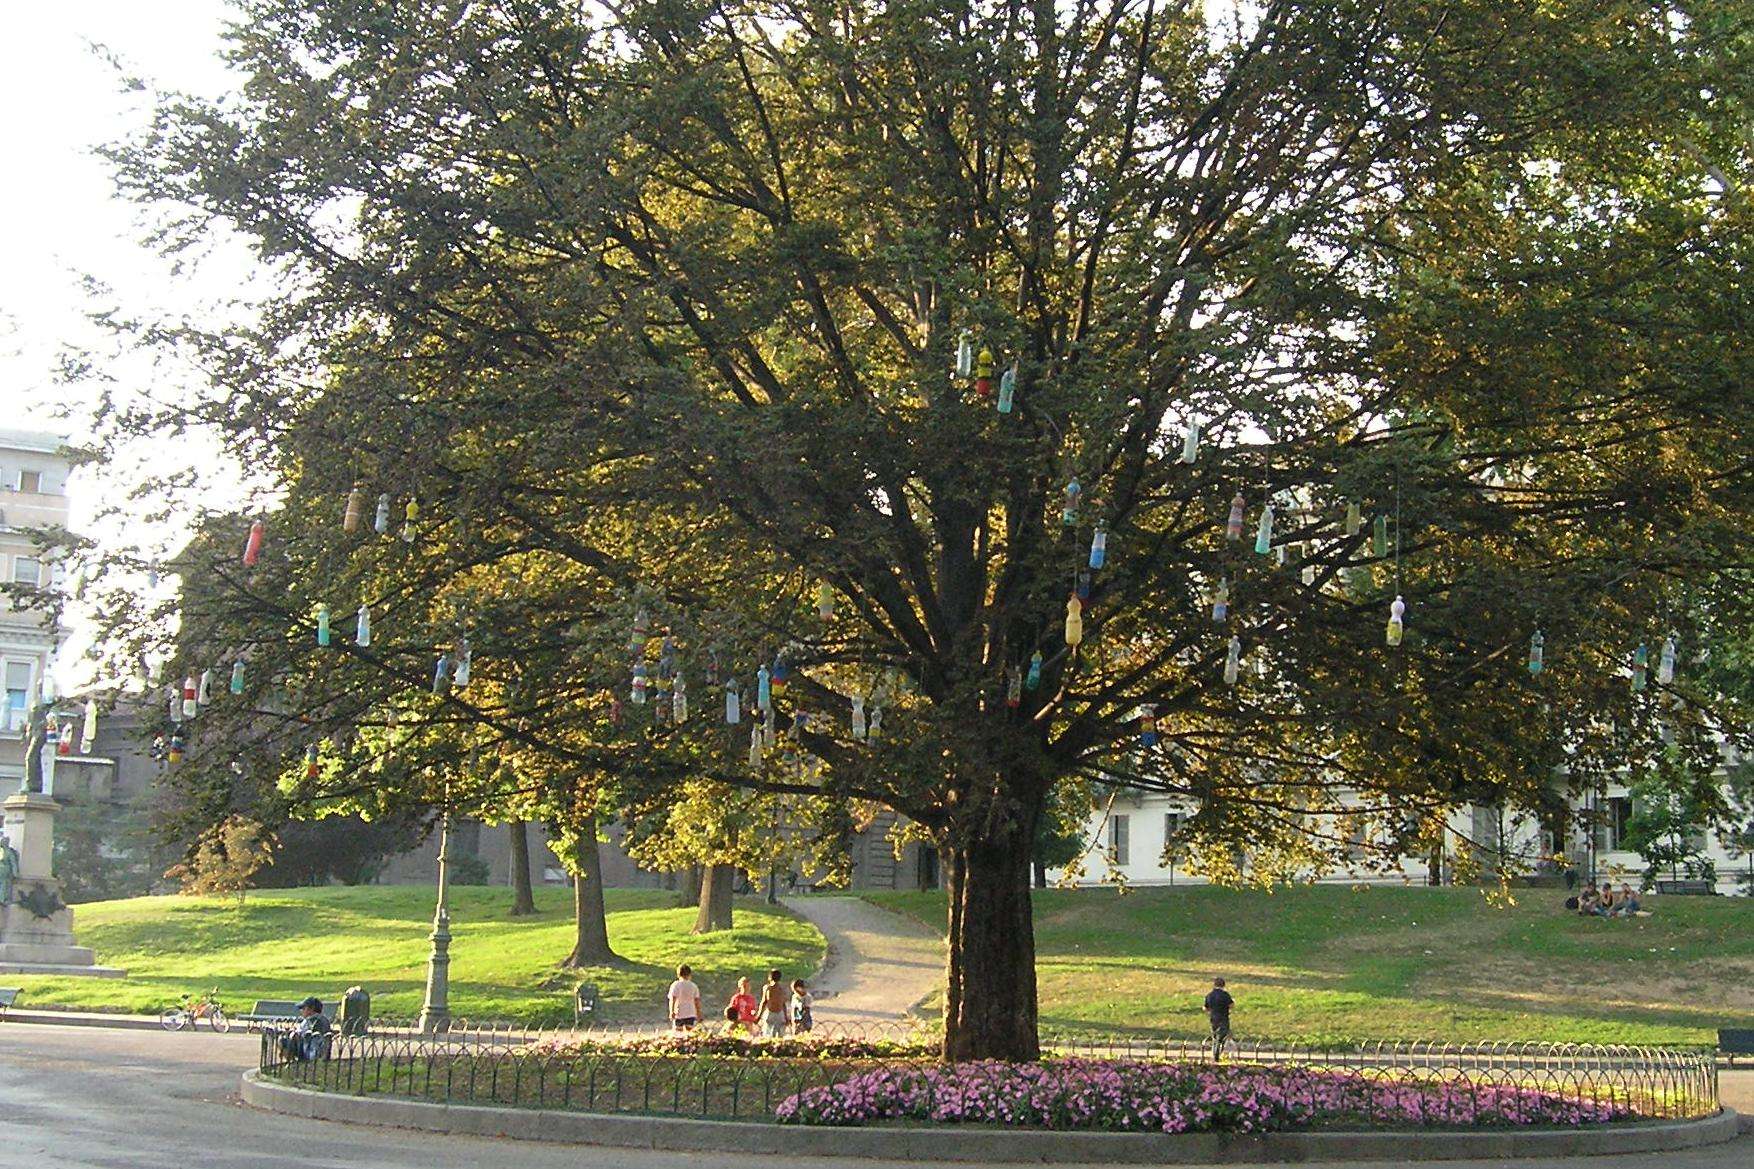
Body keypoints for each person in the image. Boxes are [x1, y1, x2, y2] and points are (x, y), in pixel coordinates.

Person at [279, 996, 331, 1061]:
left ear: (311, 1009)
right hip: (322, 1055)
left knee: (282, 1040)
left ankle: (292, 1064)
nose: (301, 1011)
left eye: (303, 1008)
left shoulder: (310, 1020)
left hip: (309, 1052)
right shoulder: (324, 1019)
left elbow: (302, 1036)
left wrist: (293, 1034)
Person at [1203, 977, 1234, 1061]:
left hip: (1214, 1018)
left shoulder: (1210, 995)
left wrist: (1211, 1011)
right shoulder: (1225, 995)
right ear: (1223, 985)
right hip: (1223, 1018)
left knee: (1214, 1036)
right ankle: (1219, 1052)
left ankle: (1215, 1053)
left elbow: (1205, 1008)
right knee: (1222, 1036)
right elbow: (1231, 1005)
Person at [667, 964, 702, 1030]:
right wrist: (699, 1014)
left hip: (679, 1013)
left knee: (678, 1032)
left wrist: (671, 1011)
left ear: (678, 975)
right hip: (690, 1013)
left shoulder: (675, 985)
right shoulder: (693, 986)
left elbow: (673, 999)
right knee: (689, 1032)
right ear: (690, 974)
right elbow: (697, 1001)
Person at [759, 969, 788, 1039]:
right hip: (777, 1013)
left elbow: (764, 1002)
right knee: (777, 1034)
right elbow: (783, 1004)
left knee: (770, 1035)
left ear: (769, 978)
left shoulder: (768, 988)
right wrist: (786, 1016)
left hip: (774, 1013)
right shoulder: (779, 989)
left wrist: (759, 1015)